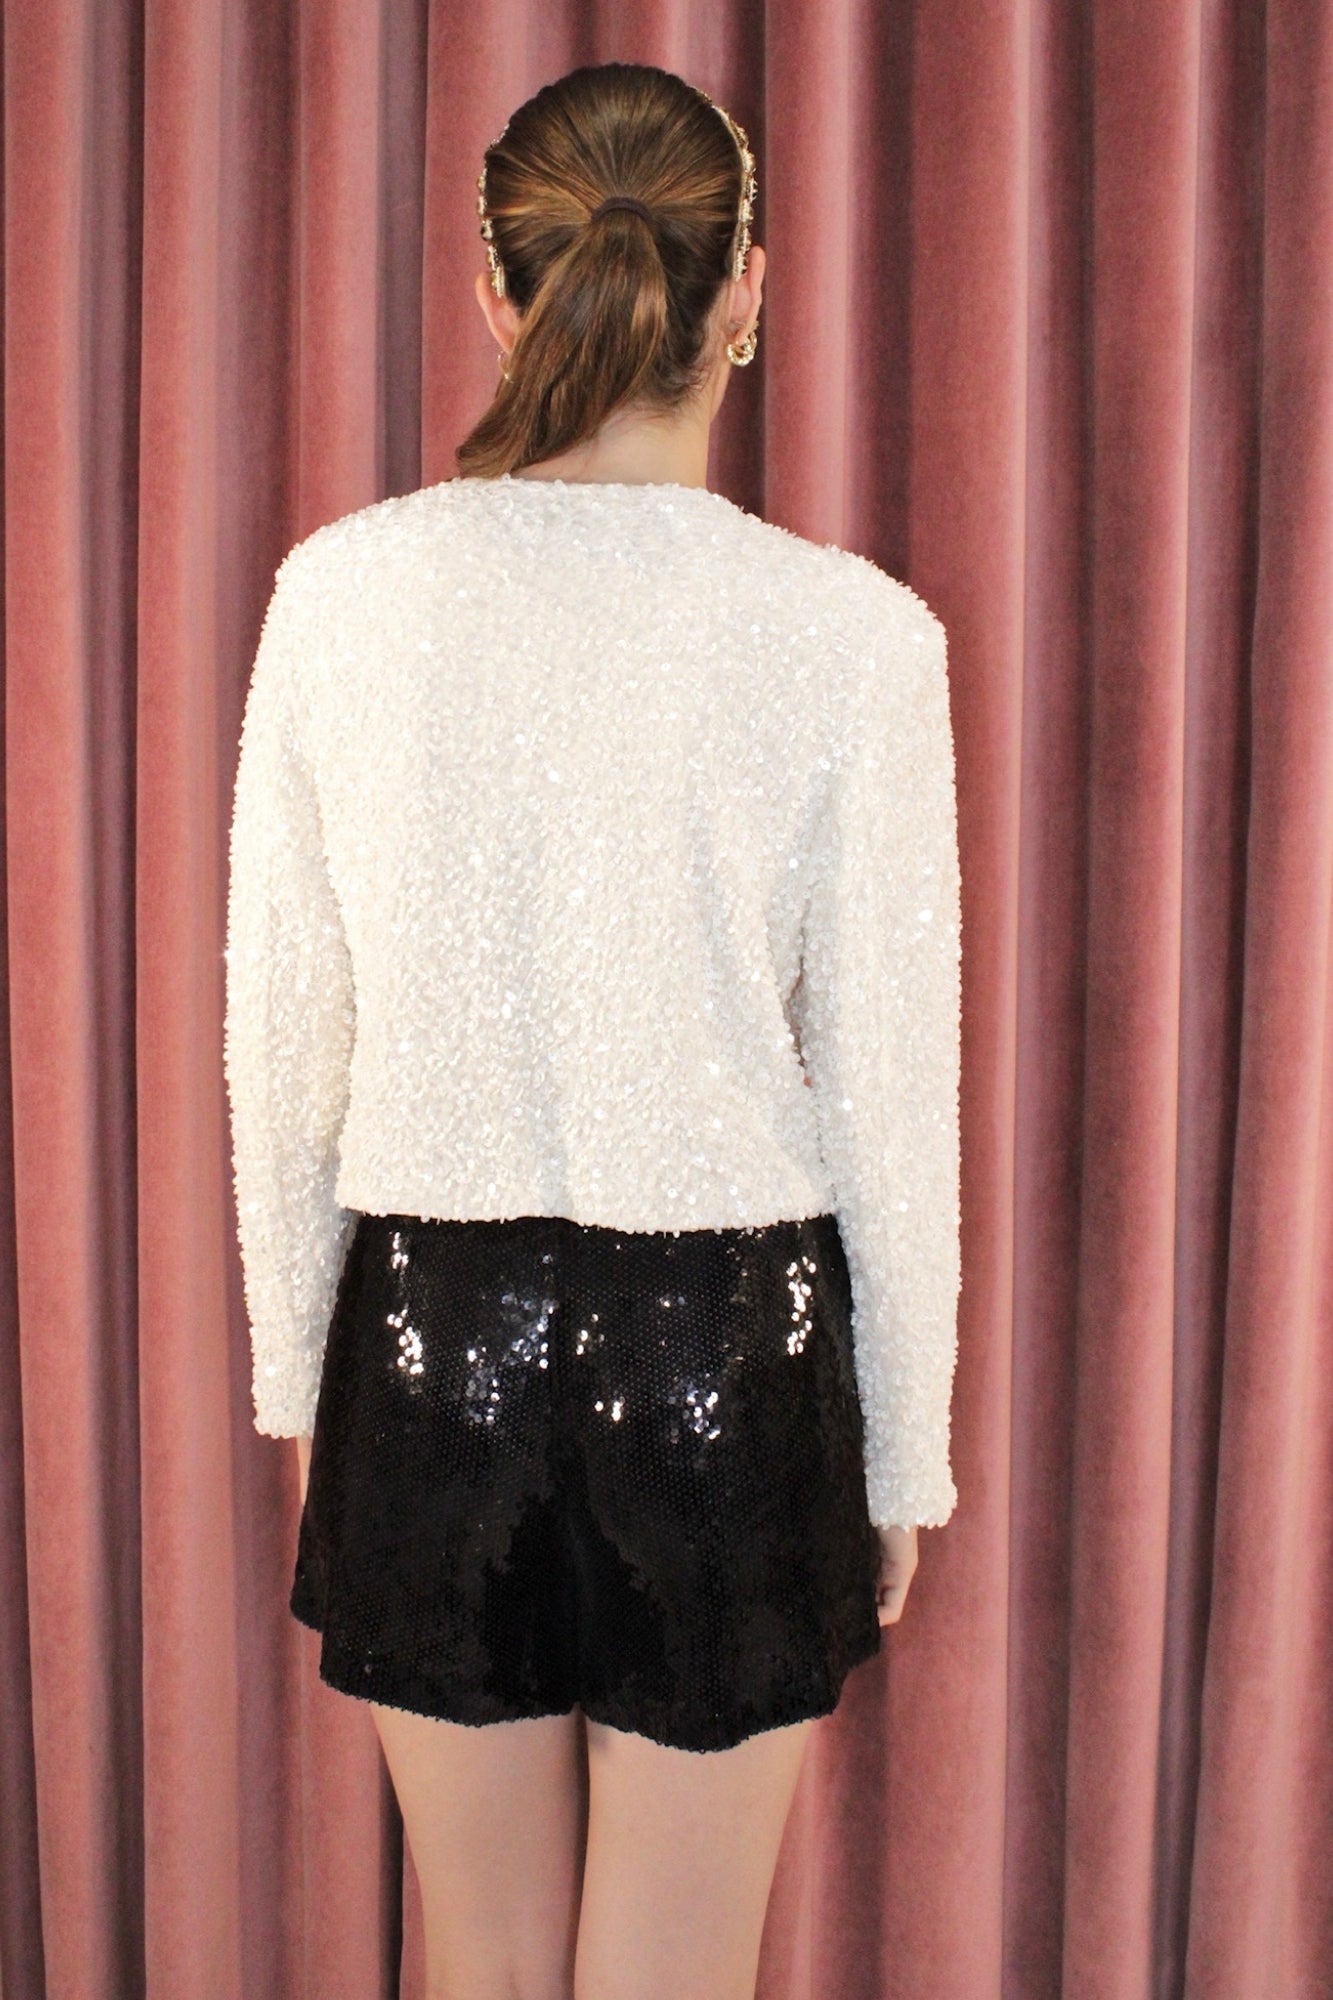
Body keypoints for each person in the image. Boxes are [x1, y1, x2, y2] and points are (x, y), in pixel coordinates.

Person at [224, 58, 962, 2000]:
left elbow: (280, 1050)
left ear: (497, 293)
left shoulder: (340, 595)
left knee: (476, 1963)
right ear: (748, 293)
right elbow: (893, 1096)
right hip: (731, 1358)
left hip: (425, 1349)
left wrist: (307, 1391)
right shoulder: (854, 636)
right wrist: (902, 1459)